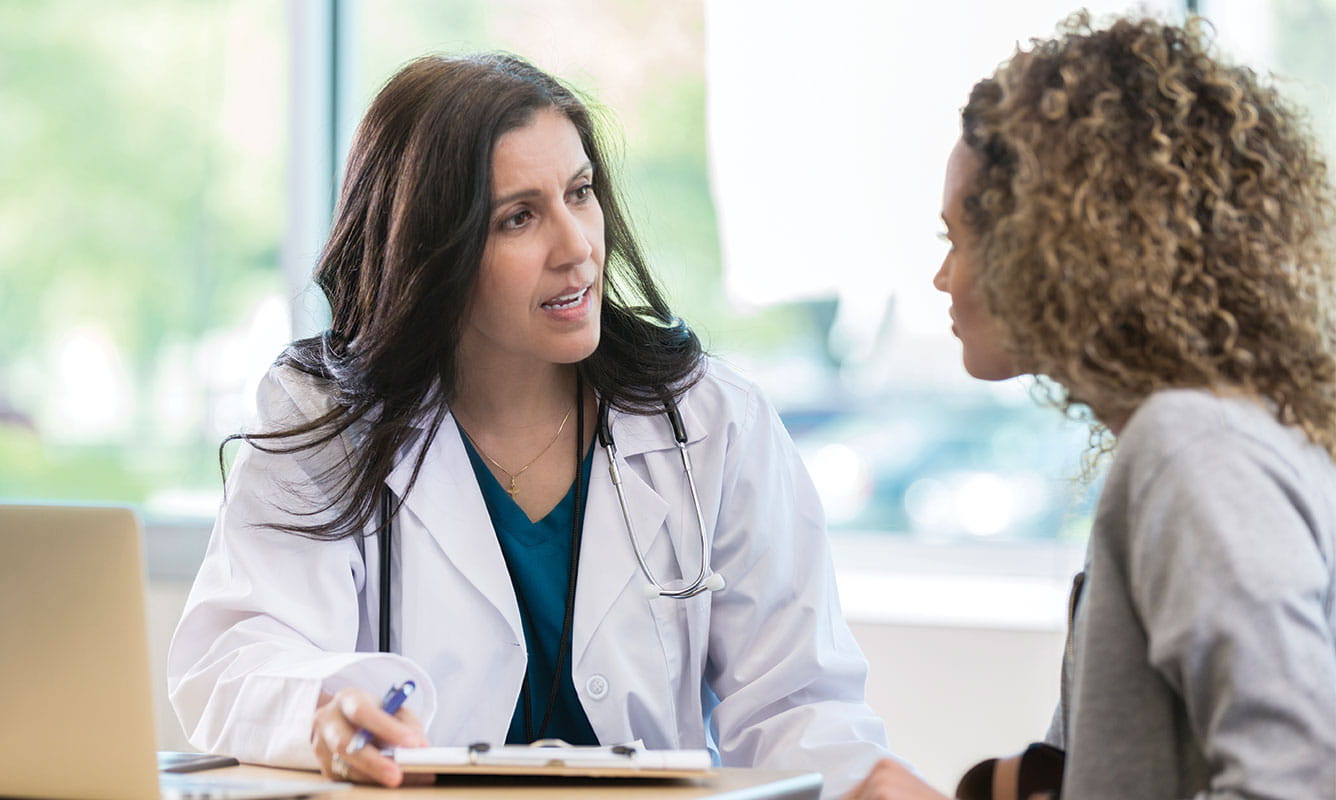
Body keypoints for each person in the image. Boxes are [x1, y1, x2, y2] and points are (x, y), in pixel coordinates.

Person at [167, 53, 889, 795]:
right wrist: (323, 704)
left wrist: (867, 784)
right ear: (427, 250)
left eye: (580, 194)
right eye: (519, 217)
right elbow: (235, 656)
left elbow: (800, 705)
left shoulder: (709, 421)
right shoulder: (329, 419)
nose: (576, 247)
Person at [848, 13, 1336, 800]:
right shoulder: (1211, 434)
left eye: (956, 239)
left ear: (1047, 245)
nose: (943, 278)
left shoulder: (1193, 450)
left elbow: (1295, 781)